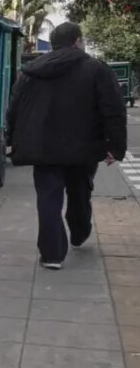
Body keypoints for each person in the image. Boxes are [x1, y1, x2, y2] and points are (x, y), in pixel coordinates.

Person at [7, 22, 127, 270]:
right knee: (80, 193)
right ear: (77, 41)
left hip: (43, 148)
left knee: (48, 199)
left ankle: (52, 255)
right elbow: (113, 111)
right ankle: (80, 233)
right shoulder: (96, 69)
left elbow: (14, 110)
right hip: (83, 149)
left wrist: (12, 141)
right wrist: (116, 147)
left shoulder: (31, 72)